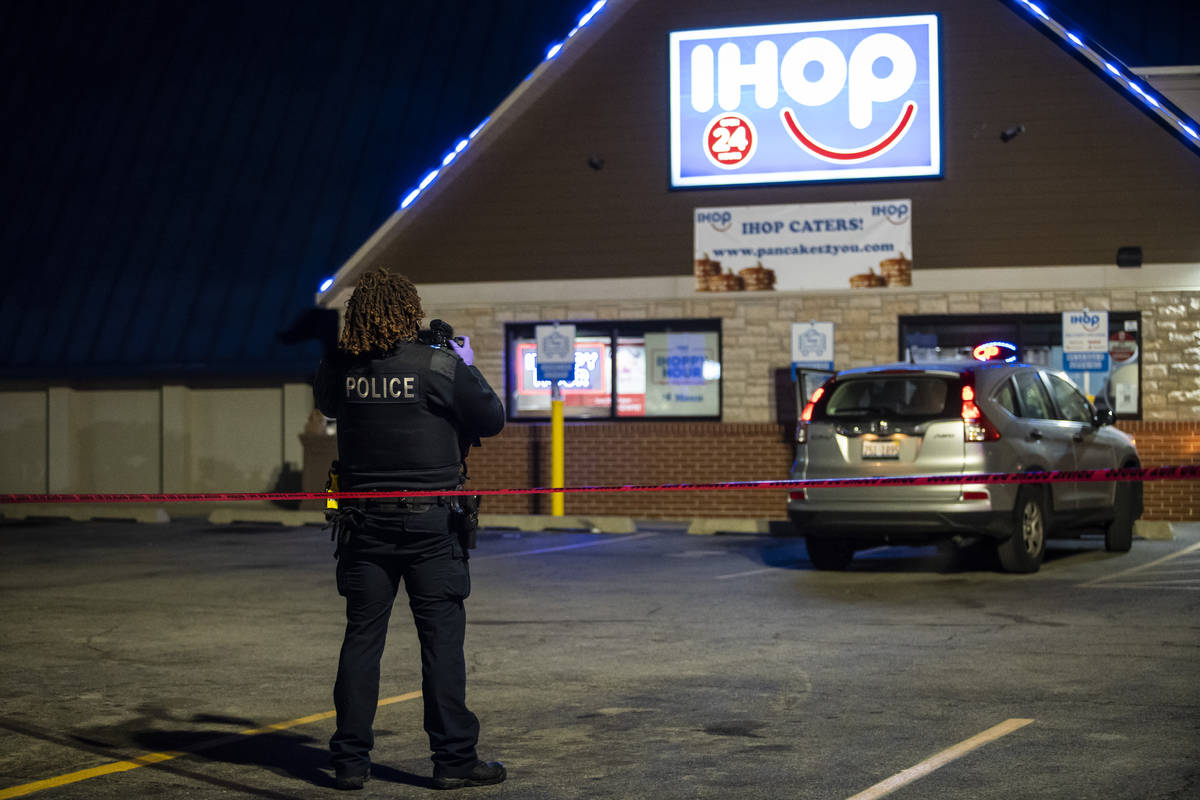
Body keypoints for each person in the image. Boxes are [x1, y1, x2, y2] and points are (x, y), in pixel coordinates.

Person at [313, 269, 506, 791]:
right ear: (408, 310)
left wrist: (342, 355)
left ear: (360, 314)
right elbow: (491, 417)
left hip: (363, 526)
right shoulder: (440, 365)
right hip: (432, 525)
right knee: (441, 643)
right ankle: (453, 761)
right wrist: (461, 359)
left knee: (362, 640)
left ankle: (350, 763)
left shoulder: (342, 368)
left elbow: (328, 401)